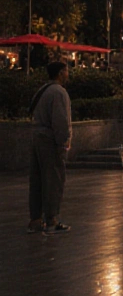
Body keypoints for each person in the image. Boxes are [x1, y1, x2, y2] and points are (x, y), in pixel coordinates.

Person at [28, 62, 72, 235]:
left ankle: (35, 220)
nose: (68, 74)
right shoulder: (59, 92)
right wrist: (63, 142)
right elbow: (60, 120)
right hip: (50, 140)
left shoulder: (43, 90)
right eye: (66, 71)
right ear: (60, 73)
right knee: (53, 179)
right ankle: (51, 219)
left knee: (37, 180)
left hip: (37, 137)